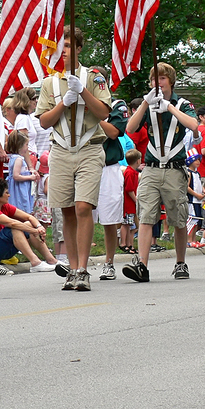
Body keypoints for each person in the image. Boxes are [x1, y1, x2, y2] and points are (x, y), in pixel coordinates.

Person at [35, 27, 113, 291]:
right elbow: (44, 121)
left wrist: (82, 92)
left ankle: (82, 269)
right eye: (61, 46)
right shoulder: (49, 82)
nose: (64, 50)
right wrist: (63, 103)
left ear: (79, 48)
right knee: (66, 209)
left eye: (69, 45)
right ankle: (72, 266)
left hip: (89, 148)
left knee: (83, 207)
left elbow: (103, 113)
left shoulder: (94, 77)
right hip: (60, 150)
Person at [122, 62, 199, 283]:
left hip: (174, 168)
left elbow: (193, 124)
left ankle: (181, 262)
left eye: (162, 79)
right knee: (146, 214)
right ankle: (142, 265)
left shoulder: (182, 103)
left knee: (178, 217)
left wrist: (169, 107)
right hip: (151, 167)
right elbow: (130, 128)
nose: (158, 83)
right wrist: (146, 103)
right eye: (154, 79)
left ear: (170, 82)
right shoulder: (149, 104)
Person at [0, 178, 58, 272]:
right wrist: (34, 231)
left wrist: (39, 227)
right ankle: (35, 262)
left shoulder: (5, 206)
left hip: (4, 246)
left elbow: (29, 217)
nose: (9, 195)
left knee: (28, 224)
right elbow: (12, 223)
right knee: (14, 228)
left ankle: (52, 260)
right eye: (6, 193)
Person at [91, 85, 129, 282]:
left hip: (108, 167)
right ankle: (79, 263)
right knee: (82, 214)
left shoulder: (116, 105)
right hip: (85, 166)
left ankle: (109, 262)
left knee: (109, 219)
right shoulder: (81, 104)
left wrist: (93, 114)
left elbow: (114, 132)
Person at [4, 130, 38, 213]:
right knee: (21, 206)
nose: (27, 148)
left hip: (22, 187)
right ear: (20, 146)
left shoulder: (15, 158)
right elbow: (16, 176)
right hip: (19, 189)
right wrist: (30, 177)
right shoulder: (18, 159)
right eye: (26, 145)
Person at [121, 149, 141, 253]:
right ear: (138, 161)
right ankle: (124, 243)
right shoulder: (129, 173)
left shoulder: (134, 172)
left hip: (131, 205)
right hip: (128, 204)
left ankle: (130, 244)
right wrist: (136, 200)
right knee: (126, 224)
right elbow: (129, 189)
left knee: (131, 225)